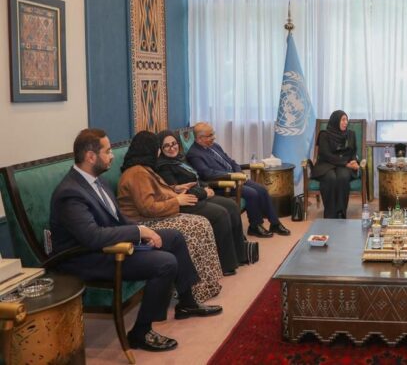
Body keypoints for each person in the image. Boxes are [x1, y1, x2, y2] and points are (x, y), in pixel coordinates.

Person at [49, 129, 221, 353]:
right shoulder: (70, 193)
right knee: (165, 263)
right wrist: (138, 231)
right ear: (91, 156)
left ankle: (187, 303)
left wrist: (142, 232)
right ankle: (141, 332)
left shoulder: (96, 181)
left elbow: (118, 218)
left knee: (174, 237)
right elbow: (92, 237)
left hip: (108, 245)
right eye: (107, 151)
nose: (112, 156)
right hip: (87, 258)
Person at [118, 131, 223, 303]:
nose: (159, 151)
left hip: (153, 218)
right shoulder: (137, 173)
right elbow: (148, 208)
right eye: (157, 147)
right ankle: (193, 293)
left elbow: (156, 192)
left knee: (202, 223)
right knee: (196, 227)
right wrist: (177, 200)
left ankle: (207, 285)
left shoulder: (144, 169)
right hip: (143, 224)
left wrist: (175, 189)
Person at [156, 130, 259, 274]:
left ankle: (239, 254)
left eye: (174, 143)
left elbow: (196, 178)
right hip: (188, 203)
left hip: (200, 195)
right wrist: (204, 192)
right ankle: (226, 264)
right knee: (221, 213)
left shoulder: (180, 159)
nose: (172, 148)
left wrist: (206, 187)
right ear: (160, 149)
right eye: (166, 146)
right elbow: (180, 192)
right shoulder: (163, 167)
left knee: (232, 206)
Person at [186, 122, 290, 238]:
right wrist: (232, 175)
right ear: (200, 138)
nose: (213, 137)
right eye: (210, 135)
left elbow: (230, 161)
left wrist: (238, 171)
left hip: (236, 178)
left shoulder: (215, 146)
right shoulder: (194, 154)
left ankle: (275, 224)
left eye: (213, 134)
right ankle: (255, 226)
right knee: (252, 193)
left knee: (262, 190)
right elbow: (207, 174)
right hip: (222, 184)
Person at [310, 110, 360, 219]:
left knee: (343, 177)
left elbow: (353, 151)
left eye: (346, 120)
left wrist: (353, 161)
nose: (345, 122)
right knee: (330, 178)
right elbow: (326, 155)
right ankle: (330, 214)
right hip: (326, 164)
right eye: (343, 120)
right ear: (335, 121)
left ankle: (341, 212)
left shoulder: (351, 134)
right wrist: (346, 163)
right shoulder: (324, 135)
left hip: (345, 164)